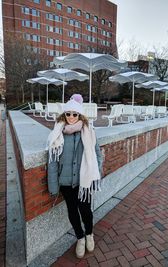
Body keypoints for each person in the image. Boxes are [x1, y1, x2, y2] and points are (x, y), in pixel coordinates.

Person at [47, 94, 102, 259]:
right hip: (65, 182)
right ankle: (80, 237)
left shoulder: (88, 132)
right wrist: (53, 186)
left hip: (83, 181)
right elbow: (52, 161)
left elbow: (98, 155)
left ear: (80, 115)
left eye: (75, 114)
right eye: (68, 113)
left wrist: (94, 174)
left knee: (85, 210)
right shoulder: (57, 133)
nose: (71, 117)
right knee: (72, 211)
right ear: (64, 114)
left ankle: (89, 234)